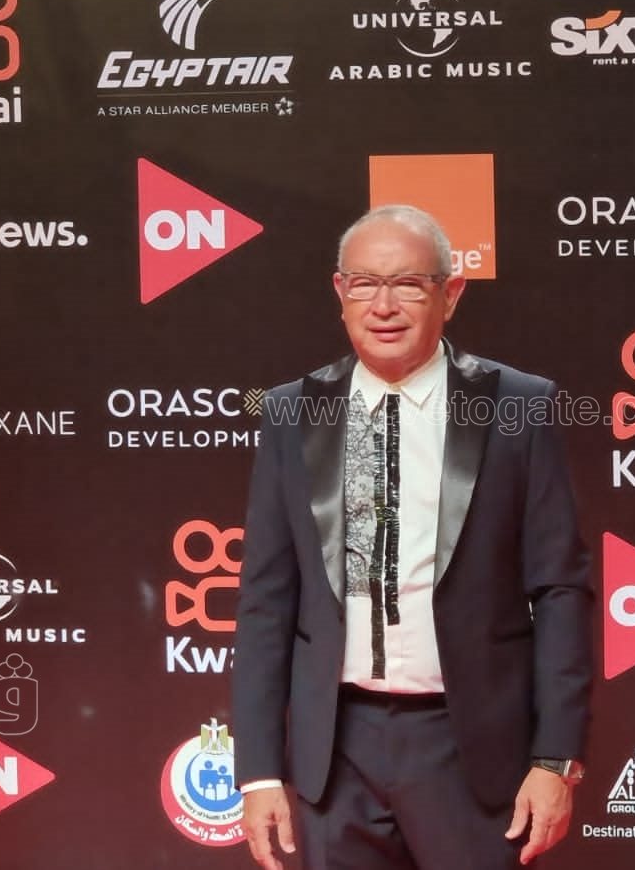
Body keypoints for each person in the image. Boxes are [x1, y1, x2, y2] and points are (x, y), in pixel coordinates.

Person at [232, 204, 593, 869]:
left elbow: (561, 590)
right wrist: (257, 771)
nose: (384, 305)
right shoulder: (293, 411)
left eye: (408, 284)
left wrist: (555, 759)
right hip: (332, 752)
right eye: (365, 283)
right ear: (340, 292)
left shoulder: (518, 406)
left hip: (471, 748)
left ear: (449, 294)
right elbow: (265, 601)